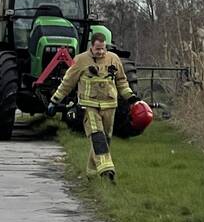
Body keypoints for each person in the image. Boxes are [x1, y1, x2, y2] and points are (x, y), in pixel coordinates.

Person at [47, 32, 139, 182]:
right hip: (88, 105)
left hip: (110, 105)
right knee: (97, 136)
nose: (101, 52)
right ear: (92, 46)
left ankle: (91, 173)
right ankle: (107, 170)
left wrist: (131, 98)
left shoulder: (114, 59)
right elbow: (67, 83)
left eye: (103, 49)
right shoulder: (81, 61)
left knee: (106, 138)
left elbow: (121, 81)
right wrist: (55, 100)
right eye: (98, 49)